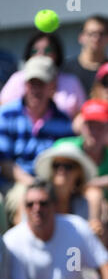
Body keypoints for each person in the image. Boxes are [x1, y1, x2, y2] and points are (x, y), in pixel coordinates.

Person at [0, 56, 74, 226]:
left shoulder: (63, 121)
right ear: (25, 85)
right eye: (32, 83)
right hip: (15, 183)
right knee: (28, 201)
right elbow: (5, 163)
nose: (35, 89)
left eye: (41, 83)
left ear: (52, 87)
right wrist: (32, 184)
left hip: (52, 183)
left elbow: (65, 160)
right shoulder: (6, 114)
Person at [3, 179, 108, 279]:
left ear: (54, 205)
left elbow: (105, 265)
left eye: (43, 203)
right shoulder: (11, 241)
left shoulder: (76, 227)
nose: (36, 209)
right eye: (30, 204)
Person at [54, 99, 108, 245]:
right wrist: (101, 182)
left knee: (99, 201)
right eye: (90, 125)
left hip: (98, 214)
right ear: (82, 126)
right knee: (95, 195)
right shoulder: (65, 148)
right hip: (62, 204)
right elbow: (55, 182)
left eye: (100, 126)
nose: (94, 131)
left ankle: (95, 251)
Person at [0, 31, 86, 119]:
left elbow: (81, 116)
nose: (41, 54)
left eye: (47, 50)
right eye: (32, 83)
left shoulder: (71, 82)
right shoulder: (17, 79)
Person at [34, 142, 98, 220]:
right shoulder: (37, 200)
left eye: (68, 166)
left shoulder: (82, 204)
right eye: (56, 165)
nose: (61, 170)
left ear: (79, 172)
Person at [62, 15, 108, 95]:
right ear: (81, 37)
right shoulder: (65, 69)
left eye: (101, 34)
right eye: (91, 33)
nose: (96, 38)